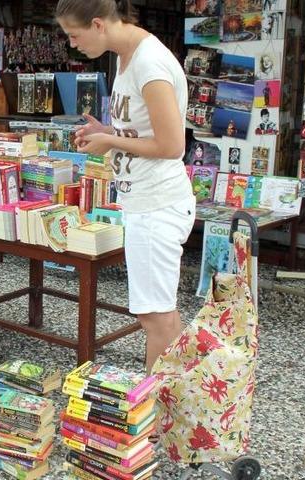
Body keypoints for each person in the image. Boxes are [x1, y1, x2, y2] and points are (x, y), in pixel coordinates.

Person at [55, 0, 196, 374]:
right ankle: (173, 406)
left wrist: (112, 142)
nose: (72, 45)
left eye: (74, 34)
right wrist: (109, 132)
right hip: (146, 201)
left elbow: (171, 146)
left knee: (155, 319)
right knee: (160, 313)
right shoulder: (126, 56)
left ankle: (153, 417)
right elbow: (146, 130)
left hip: (156, 204)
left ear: (98, 24)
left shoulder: (148, 64)